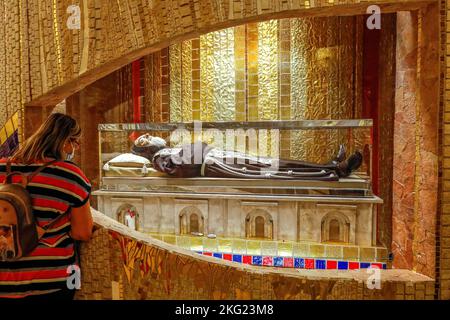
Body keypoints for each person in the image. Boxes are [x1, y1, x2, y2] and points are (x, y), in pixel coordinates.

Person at [0, 113, 93, 300]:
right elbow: (82, 232)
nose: (74, 148)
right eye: (74, 143)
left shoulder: (2, 167)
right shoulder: (70, 175)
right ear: (65, 141)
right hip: (50, 280)